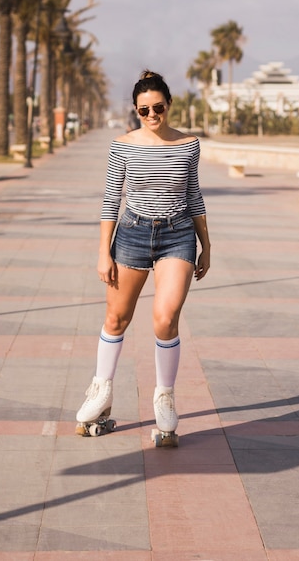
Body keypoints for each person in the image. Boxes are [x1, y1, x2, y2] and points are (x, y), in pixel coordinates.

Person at [76, 70, 211, 437]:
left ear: (169, 105)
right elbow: (110, 201)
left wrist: (206, 244)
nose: (152, 115)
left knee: (165, 319)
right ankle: (101, 389)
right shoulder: (122, 145)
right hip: (132, 235)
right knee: (116, 318)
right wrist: (103, 253)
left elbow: (193, 194)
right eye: (144, 110)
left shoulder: (189, 144)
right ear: (136, 111)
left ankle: (164, 397)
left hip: (177, 235)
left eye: (158, 108)